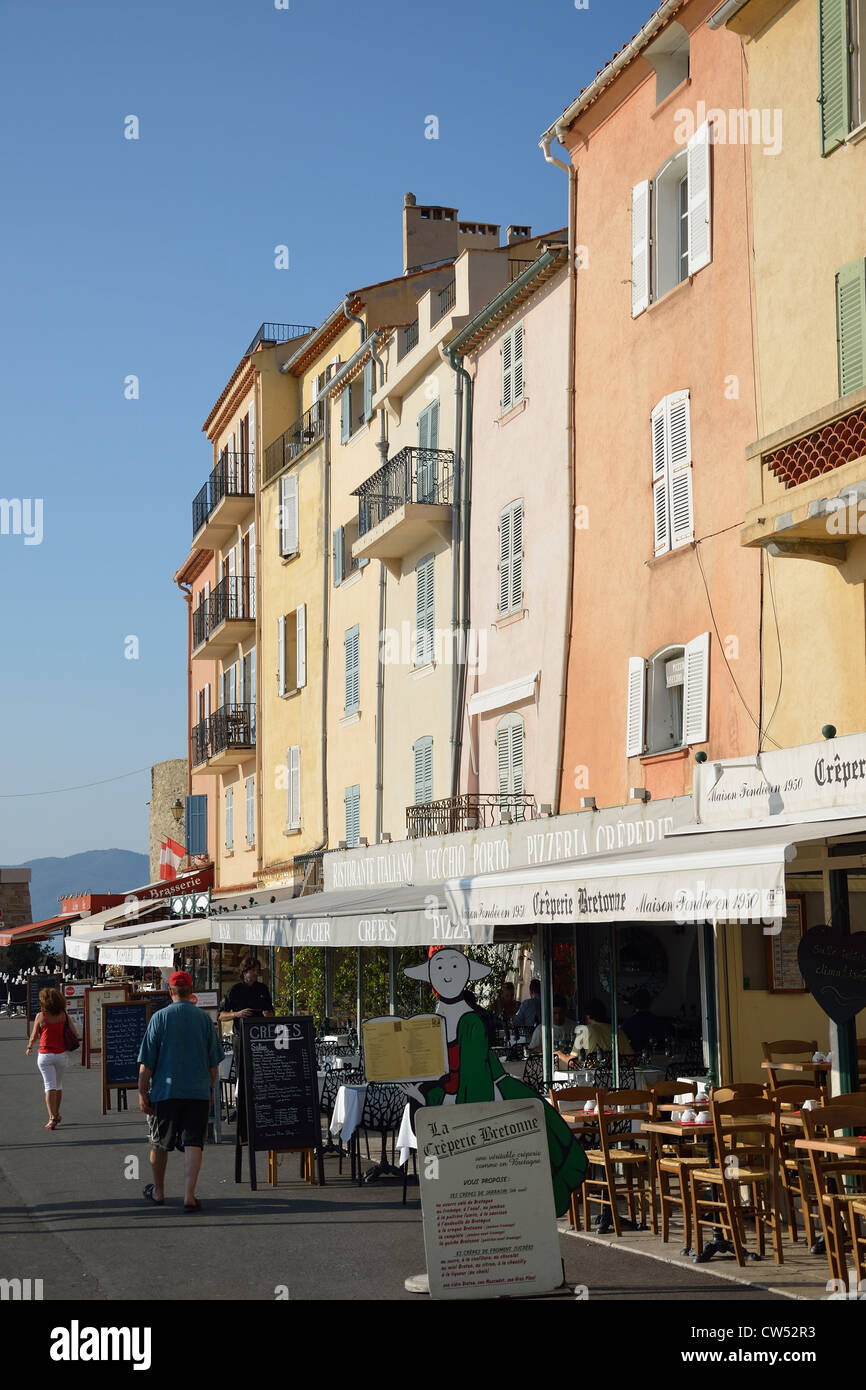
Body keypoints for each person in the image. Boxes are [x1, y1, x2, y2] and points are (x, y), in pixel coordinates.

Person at [402, 948, 587, 1218]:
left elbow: (473, 1078)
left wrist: (433, 1093)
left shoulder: (469, 1022)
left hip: (484, 1103)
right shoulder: (440, 1022)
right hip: (471, 1104)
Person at [138, 970, 222, 1210]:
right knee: (194, 1142)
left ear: (170, 991)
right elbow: (213, 1064)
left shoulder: (160, 1018)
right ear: (191, 991)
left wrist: (143, 1092)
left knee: (159, 1143)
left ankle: (159, 1191)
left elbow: (147, 1064)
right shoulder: (204, 1019)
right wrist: (210, 1090)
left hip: (166, 1091)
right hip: (196, 1091)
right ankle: (189, 1195)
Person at [218, 956, 274, 1134]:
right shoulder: (235, 990)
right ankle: (242, 1108)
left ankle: (260, 1106)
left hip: (261, 1038)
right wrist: (237, 1014)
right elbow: (221, 1015)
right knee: (242, 1073)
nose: (256, 973)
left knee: (261, 1072)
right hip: (241, 1037)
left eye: (258, 970)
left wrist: (268, 1015)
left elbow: (271, 1013)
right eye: (253, 970)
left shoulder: (262, 989)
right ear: (244, 972)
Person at [26, 986, 78, 1130]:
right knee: (58, 1085)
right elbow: (75, 1032)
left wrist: (30, 1046)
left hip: (45, 1055)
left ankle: (52, 1117)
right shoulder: (63, 1015)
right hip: (61, 1055)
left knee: (49, 1085)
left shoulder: (41, 1016)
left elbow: (34, 1035)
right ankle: (56, 1113)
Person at [565, 998, 635, 1063]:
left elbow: (572, 1061)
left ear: (588, 1016)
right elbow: (631, 1059)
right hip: (616, 1074)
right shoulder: (618, 1031)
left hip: (592, 1074)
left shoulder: (584, 1030)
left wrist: (558, 1054)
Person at [622, 988, 663, 1052]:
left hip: (634, 1059)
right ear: (650, 1002)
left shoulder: (627, 1024)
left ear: (633, 1003)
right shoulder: (659, 1023)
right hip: (656, 1059)